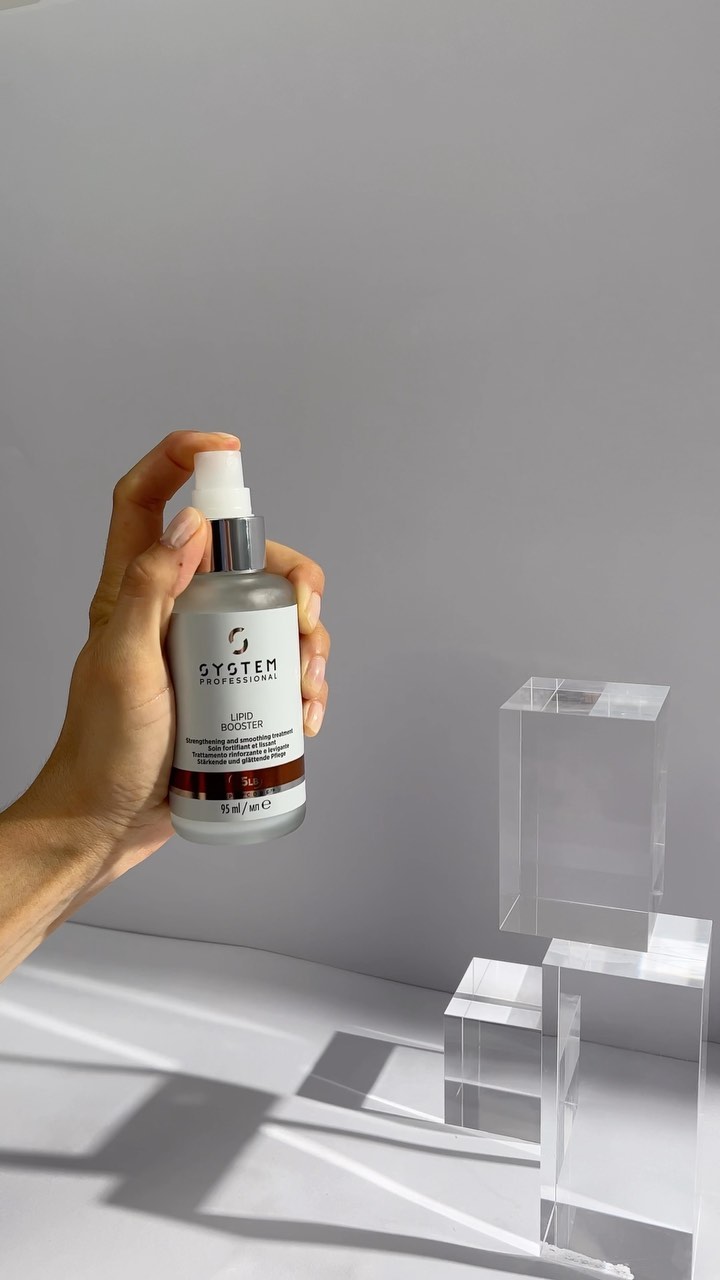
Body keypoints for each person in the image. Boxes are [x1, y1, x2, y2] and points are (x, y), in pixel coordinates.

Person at [0, 431, 329, 982]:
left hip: (270, 780)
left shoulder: (269, 594)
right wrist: (94, 818)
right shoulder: (181, 603)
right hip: (194, 787)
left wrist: (96, 824)